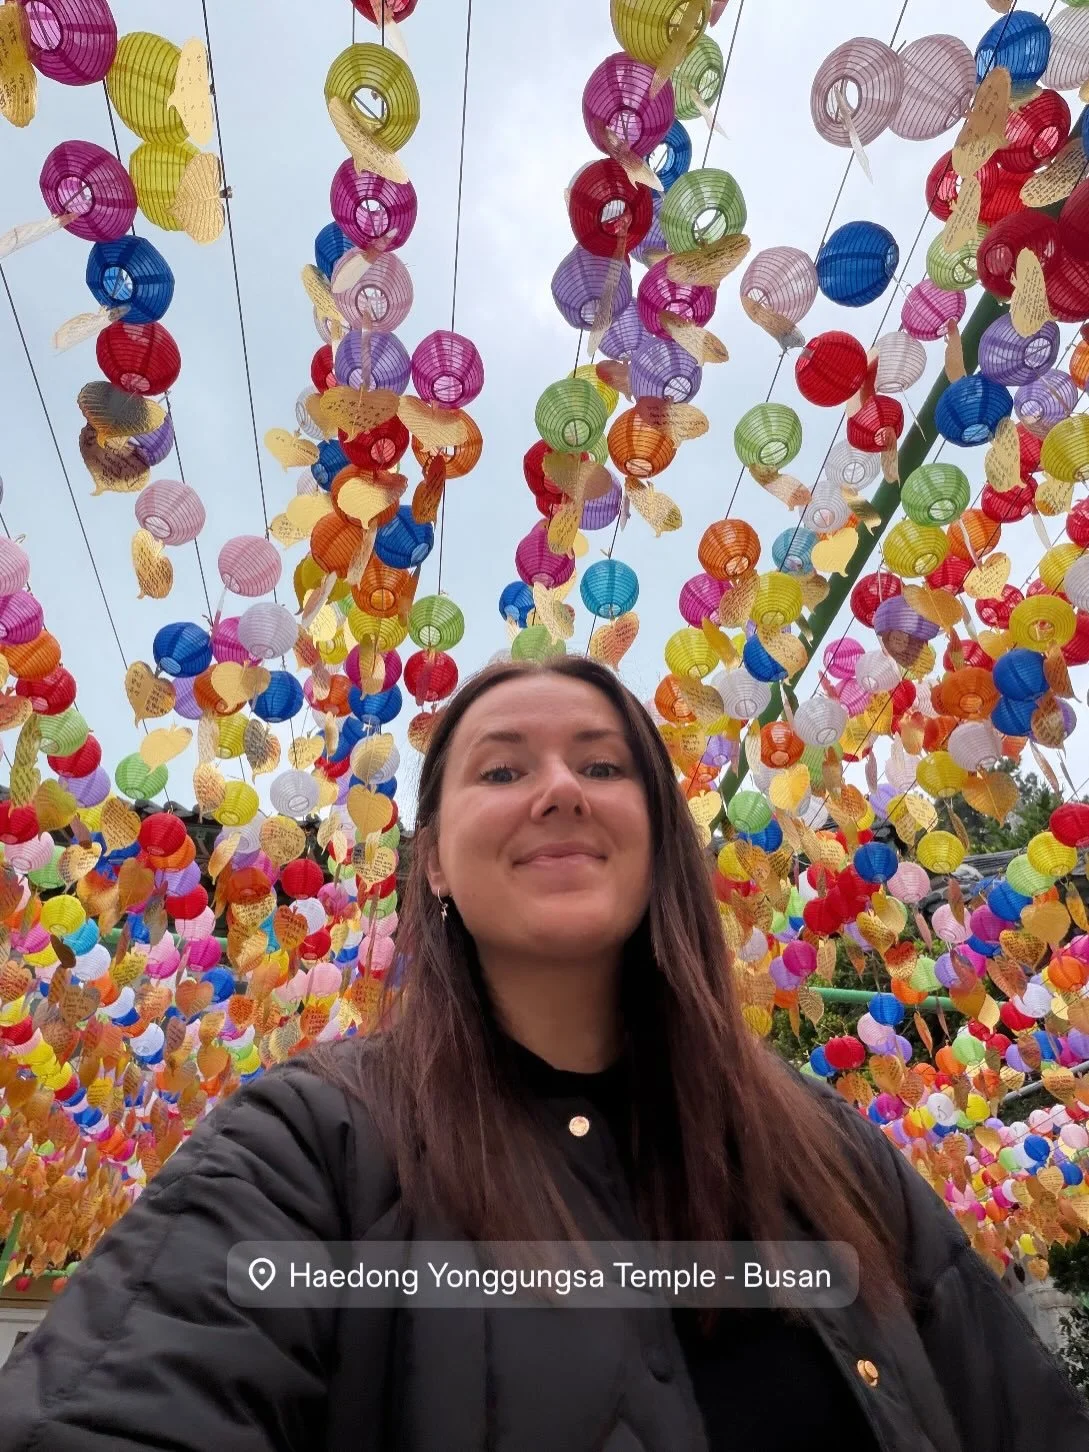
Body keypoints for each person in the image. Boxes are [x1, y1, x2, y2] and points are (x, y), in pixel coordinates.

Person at [1, 657, 1086, 1451]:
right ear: (432, 868)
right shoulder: (310, 1146)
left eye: (603, 764)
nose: (559, 787)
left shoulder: (833, 1154)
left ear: (658, 836)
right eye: (501, 769)